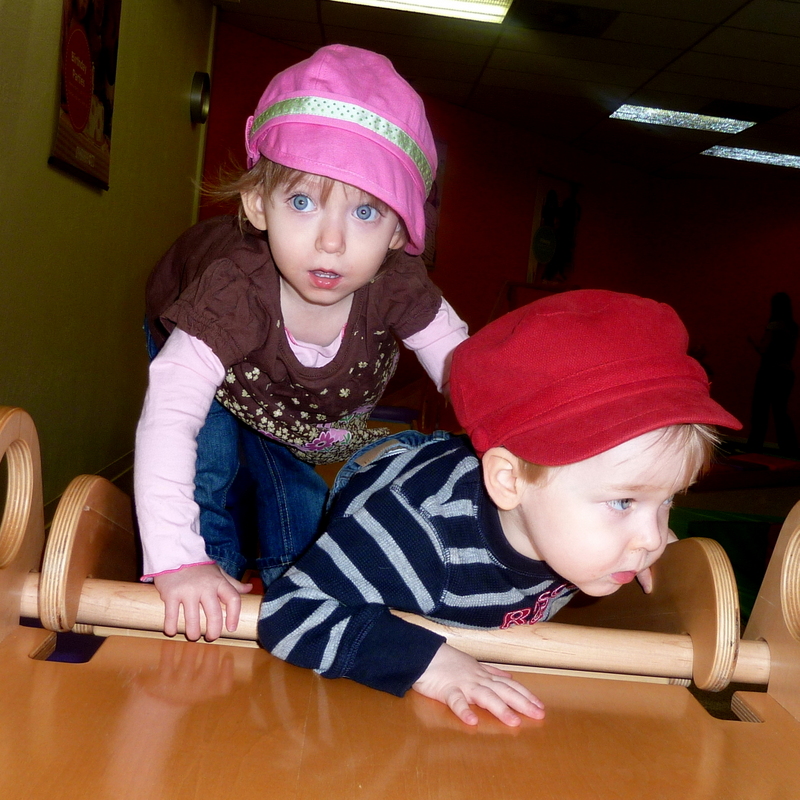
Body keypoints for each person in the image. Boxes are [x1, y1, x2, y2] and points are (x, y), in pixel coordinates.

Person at [259, 290, 741, 726]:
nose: (653, 537)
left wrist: (638, 520)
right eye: (623, 501)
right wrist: (429, 663)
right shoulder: (416, 537)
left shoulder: (571, 518)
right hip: (390, 476)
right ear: (512, 483)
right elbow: (288, 610)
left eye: (667, 499)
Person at [135, 45, 468, 643]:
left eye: (365, 212)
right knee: (210, 463)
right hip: (204, 351)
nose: (331, 242)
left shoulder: (400, 286)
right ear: (257, 204)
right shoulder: (232, 292)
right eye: (301, 201)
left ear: (400, 230)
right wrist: (180, 560)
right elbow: (170, 417)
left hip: (289, 401)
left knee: (295, 483)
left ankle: (299, 584)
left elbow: (471, 376)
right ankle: (209, 587)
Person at [747, 291, 800, 457]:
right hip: (786, 372)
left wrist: (753, 343)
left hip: (769, 371)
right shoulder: (793, 327)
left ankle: (754, 449)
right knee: (781, 413)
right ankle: (790, 451)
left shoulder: (774, 325)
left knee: (760, 412)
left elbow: (764, 348)